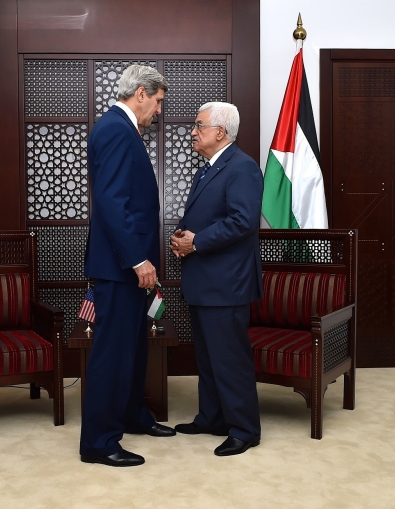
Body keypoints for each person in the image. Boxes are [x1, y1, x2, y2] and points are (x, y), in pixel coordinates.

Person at [80, 65, 176, 467]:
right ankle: (99, 442)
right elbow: (112, 202)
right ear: (140, 93)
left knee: (134, 350)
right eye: (157, 102)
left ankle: (133, 416)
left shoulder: (122, 129)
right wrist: (138, 260)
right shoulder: (115, 130)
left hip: (129, 266)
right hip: (120, 266)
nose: (158, 110)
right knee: (112, 355)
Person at [169, 102, 263, 456]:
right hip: (205, 281)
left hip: (227, 283)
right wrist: (184, 238)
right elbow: (210, 218)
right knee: (208, 358)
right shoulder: (208, 169)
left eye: (199, 125)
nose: (193, 132)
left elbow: (242, 222)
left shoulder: (242, 167)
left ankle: (244, 429)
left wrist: (197, 242)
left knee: (230, 360)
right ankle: (212, 418)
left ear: (220, 132)